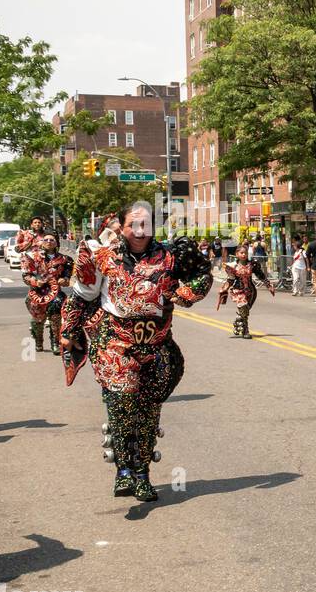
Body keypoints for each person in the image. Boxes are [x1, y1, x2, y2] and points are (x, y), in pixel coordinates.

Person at [60, 203, 213, 502]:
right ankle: (123, 471)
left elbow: (203, 274)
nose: (139, 231)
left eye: (145, 225)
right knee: (122, 401)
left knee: (147, 411)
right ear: (122, 226)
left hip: (156, 345)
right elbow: (82, 295)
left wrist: (186, 293)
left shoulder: (172, 255)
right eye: (133, 225)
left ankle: (142, 474)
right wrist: (68, 331)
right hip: (116, 343)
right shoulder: (103, 256)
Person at [22, 226, 71, 354]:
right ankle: (38, 341)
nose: (49, 242)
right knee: (38, 319)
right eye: (46, 240)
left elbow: (67, 278)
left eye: (52, 240)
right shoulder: (33, 257)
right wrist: (35, 281)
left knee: (56, 312)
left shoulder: (64, 260)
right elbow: (26, 276)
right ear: (42, 242)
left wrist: (64, 280)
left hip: (55, 293)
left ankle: (56, 342)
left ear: (56, 243)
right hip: (37, 292)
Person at [218, 244, 276, 338]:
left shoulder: (252, 264)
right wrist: (224, 288)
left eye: (245, 253)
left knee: (245, 311)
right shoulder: (233, 266)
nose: (244, 255)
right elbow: (230, 280)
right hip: (238, 291)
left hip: (251, 291)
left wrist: (269, 286)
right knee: (243, 307)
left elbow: (260, 275)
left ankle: (239, 320)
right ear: (237, 254)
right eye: (241, 253)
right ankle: (245, 330)